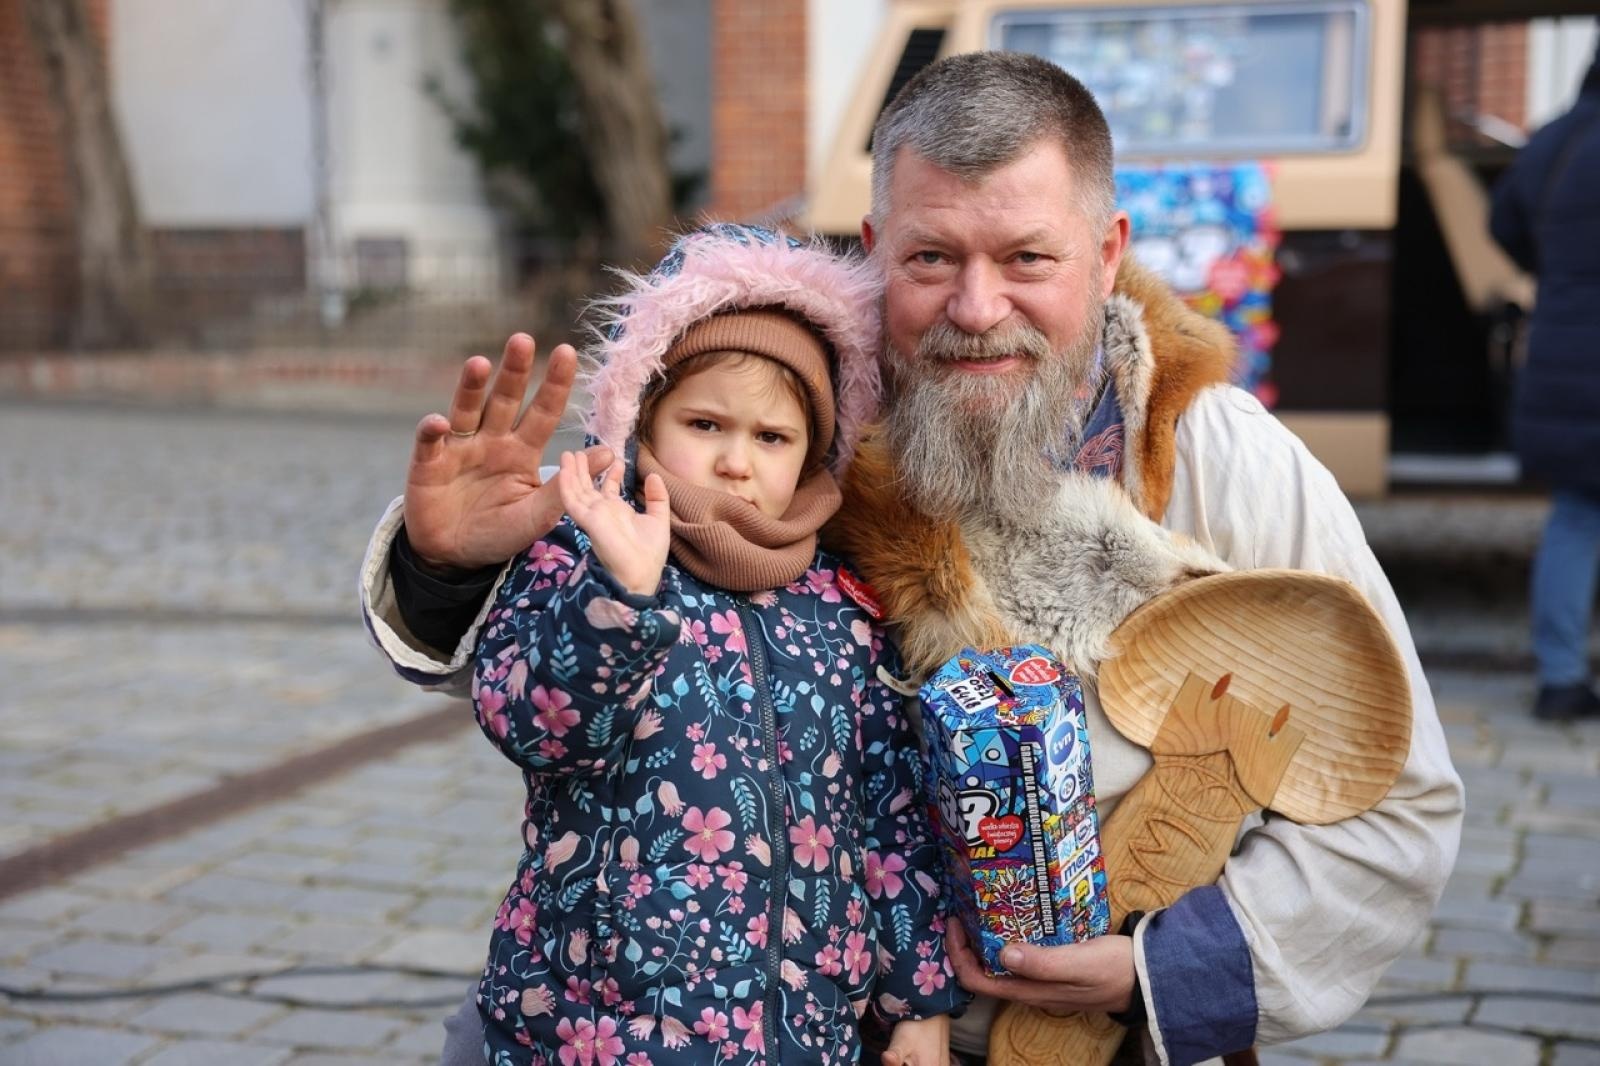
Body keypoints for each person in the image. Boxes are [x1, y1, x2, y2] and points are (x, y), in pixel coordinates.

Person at [361, 54, 1463, 1066]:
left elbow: (1400, 803)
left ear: (1107, 253)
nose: (976, 310)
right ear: (875, 244)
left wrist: (1158, 971)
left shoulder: (1222, 458)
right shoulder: (791, 429)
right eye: (932, 258)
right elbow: (570, 672)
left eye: (1027, 258)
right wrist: (448, 568)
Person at [368, 223, 964, 1066]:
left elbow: (889, 816)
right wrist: (622, 598)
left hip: (801, 1036)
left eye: (772, 437)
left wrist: (919, 1001)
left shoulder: (842, 604)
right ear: (644, 416)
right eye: (705, 423)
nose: (735, 462)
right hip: (595, 1031)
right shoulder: (579, 553)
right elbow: (535, 725)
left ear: (816, 451)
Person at [1490, 42, 1600, 722]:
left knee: (1577, 516)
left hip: (1564, 352)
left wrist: (1557, 265)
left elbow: (1502, 222)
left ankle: (1560, 679)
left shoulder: (1556, 141)